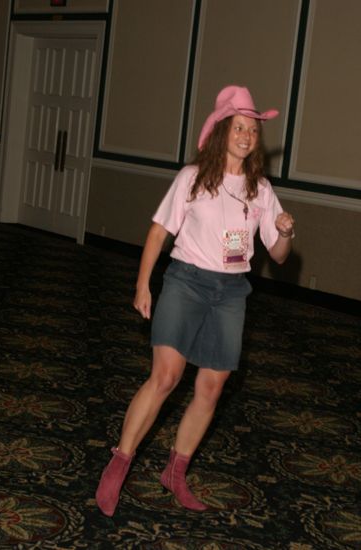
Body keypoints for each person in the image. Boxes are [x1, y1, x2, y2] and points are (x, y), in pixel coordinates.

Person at [95, 85, 295, 516]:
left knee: (212, 386)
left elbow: (278, 256)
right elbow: (158, 232)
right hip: (186, 281)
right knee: (166, 376)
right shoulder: (192, 177)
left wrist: (284, 230)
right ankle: (119, 463)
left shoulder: (260, 188)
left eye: (252, 130)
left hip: (231, 291)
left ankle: (175, 472)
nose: (245, 135)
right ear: (222, 130)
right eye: (238, 127)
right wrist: (143, 284)